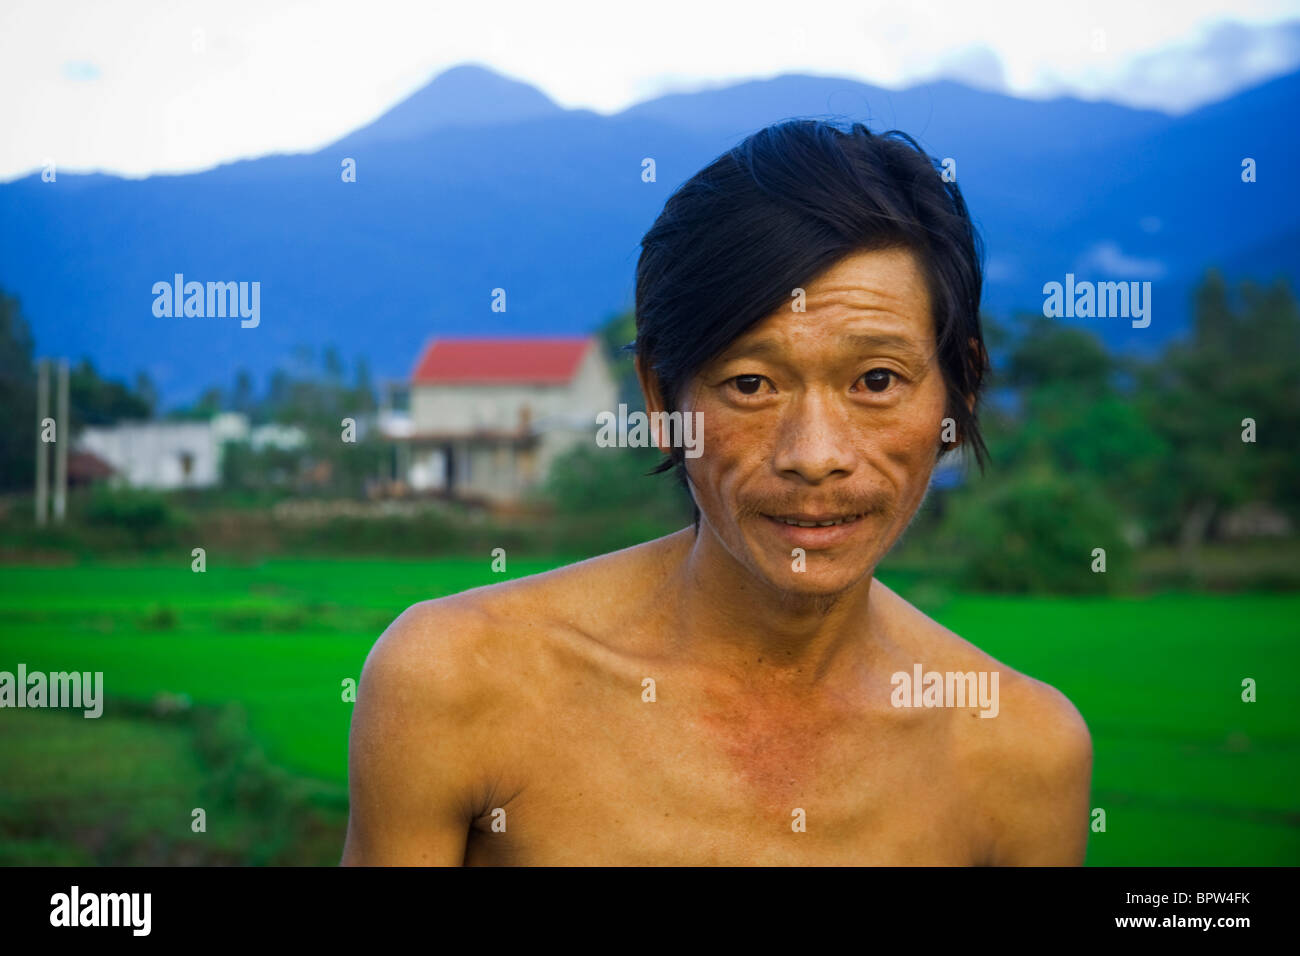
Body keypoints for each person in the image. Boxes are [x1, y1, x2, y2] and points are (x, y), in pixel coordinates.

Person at [341, 119, 1093, 866]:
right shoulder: (458, 681)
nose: (816, 456)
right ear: (662, 401)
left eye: (876, 381)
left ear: (958, 389)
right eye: (751, 384)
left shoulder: (1021, 754)